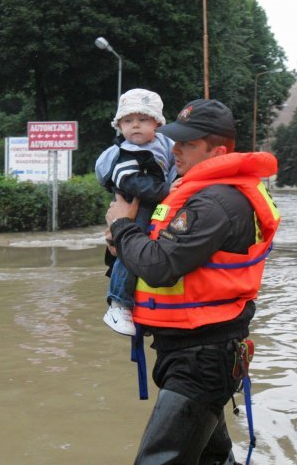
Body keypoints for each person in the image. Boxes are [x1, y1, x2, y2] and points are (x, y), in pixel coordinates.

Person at [105, 99, 281, 464]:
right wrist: (122, 241)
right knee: (211, 459)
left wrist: (122, 225)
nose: (176, 149)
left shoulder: (214, 203)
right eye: (176, 140)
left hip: (201, 356)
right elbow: (157, 253)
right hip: (192, 348)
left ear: (218, 151)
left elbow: (158, 265)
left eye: (188, 144)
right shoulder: (207, 194)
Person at [95, 88, 176, 335]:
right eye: (128, 121)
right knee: (131, 253)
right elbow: (130, 182)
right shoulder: (125, 152)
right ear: (119, 126)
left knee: (153, 252)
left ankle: (143, 304)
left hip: (157, 205)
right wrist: (168, 191)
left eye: (143, 120)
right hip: (135, 205)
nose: (135, 127)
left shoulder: (166, 145)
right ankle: (118, 304)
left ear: (158, 123)